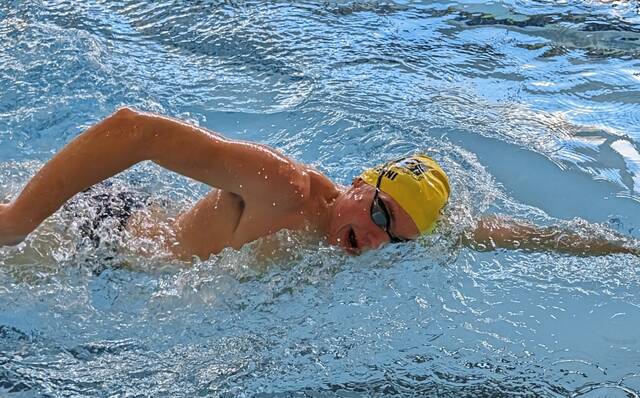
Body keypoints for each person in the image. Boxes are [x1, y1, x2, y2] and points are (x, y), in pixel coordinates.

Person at [0, 107, 637, 260]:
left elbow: (496, 234)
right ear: (361, 183)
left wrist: (622, 249)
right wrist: (17, 220)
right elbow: (135, 130)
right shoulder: (288, 189)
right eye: (380, 215)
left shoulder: (374, 236)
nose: (373, 241)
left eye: (397, 239)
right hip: (91, 236)